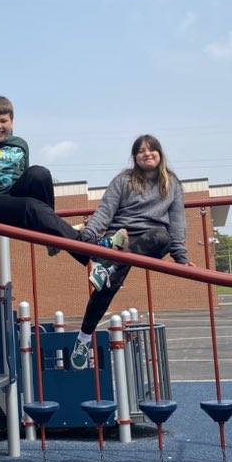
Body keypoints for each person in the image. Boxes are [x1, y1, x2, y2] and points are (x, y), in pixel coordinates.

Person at [0, 95, 123, 280]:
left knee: (39, 173)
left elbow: (30, 182)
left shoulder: (20, 144)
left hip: (15, 197)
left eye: (3, 121)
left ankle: (53, 238)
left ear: (12, 122)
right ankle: (92, 251)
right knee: (31, 206)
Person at [68, 135, 191, 370]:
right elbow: (105, 212)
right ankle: (83, 340)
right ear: (135, 157)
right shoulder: (124, 180)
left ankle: (109, 267)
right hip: (120, 239)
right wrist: (89, 237)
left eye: (152, 149)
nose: (147, 154)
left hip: (152, 241)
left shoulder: (172, 183)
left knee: (162, 236)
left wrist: (182, 258)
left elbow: (177, 222)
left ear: (160, 153)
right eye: (141, 151)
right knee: (107, 288)